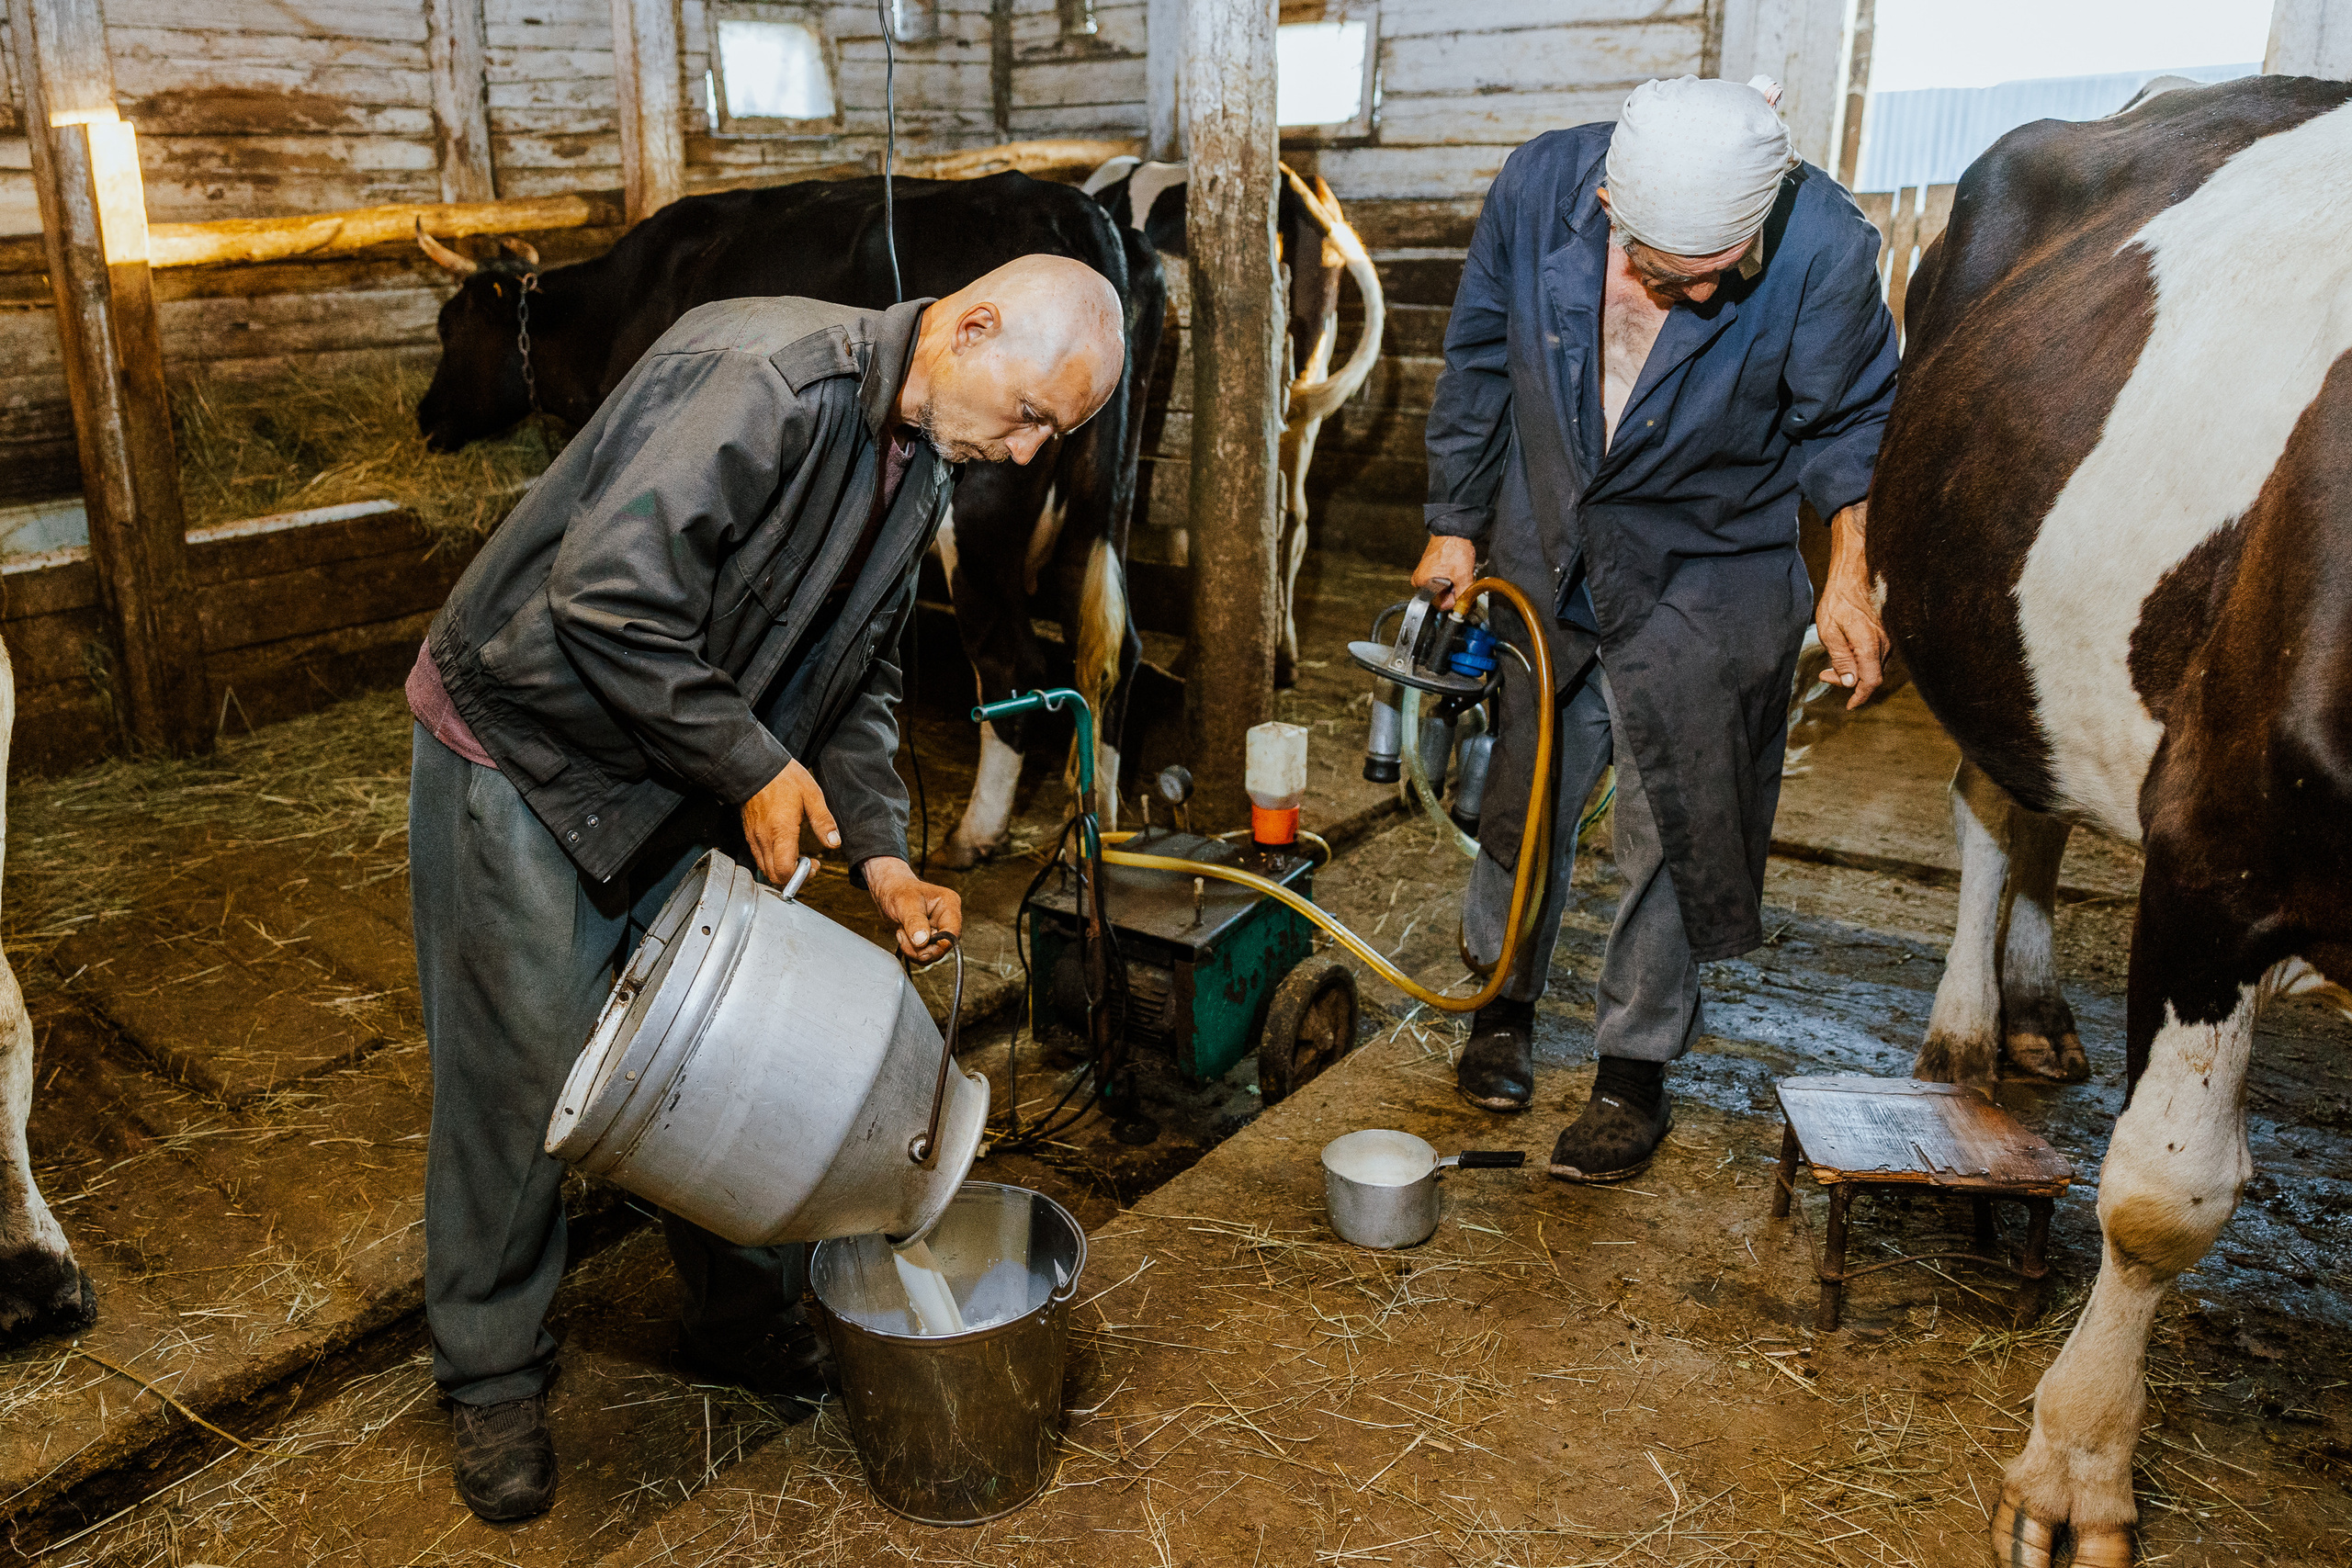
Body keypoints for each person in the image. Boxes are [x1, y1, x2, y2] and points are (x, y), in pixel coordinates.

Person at [404, 255, 1126, 1523]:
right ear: (970, 327)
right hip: (528, 743)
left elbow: (857, 681)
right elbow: (604, 603)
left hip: (678, 752)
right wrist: (754, 761)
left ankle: (739, 1315)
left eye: (1050, 437)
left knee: (729, 1049)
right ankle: (491, 1371)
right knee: (522, 1075)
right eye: (1028, 416)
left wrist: (889, 852)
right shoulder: (767, 381)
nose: (1024, 456)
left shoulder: (924, 466)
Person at [1421, 76, 1895, 1182]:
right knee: (1523, 784)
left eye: (1726, 267)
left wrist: (1848, 578)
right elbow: (1481, 358)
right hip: (1549, 527)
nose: (1711, 287)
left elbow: (1852, 420)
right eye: (1679, 274)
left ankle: (1631, 1069)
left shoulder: (1824, 244)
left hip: (1710, 557)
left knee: (1675, 811)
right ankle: (1500, 1004)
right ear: (1610, 210)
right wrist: (1453, 526)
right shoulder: (1541, 185)